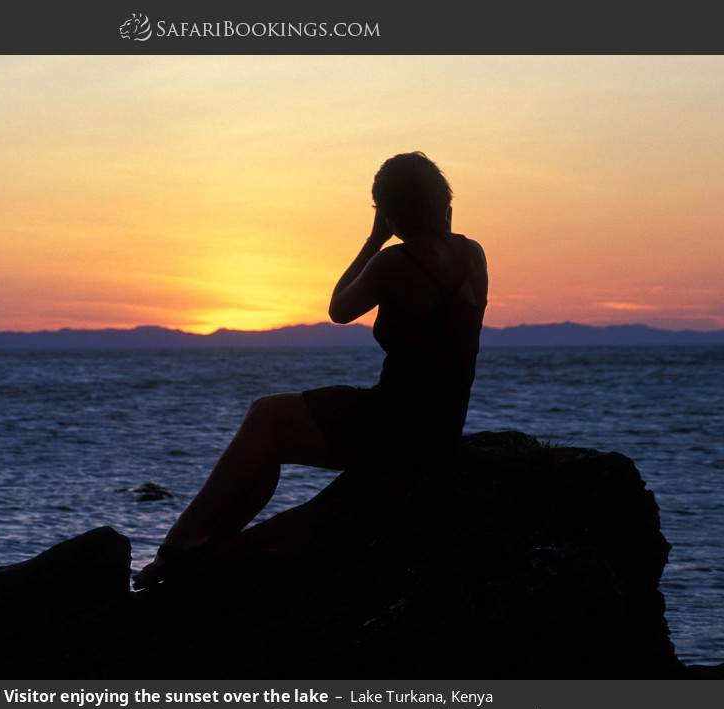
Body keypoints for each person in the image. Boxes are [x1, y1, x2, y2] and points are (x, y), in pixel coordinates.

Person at [133, 151, 488, 589]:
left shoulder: (394, 263)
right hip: (439, 428)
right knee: (273, 427)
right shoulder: (474, 256)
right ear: (441, 201)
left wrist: (375, 240)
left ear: (390, 213)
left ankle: (183, 547)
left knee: (268, 417)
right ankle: (207, 546)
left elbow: (339, 308)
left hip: (395, 427)